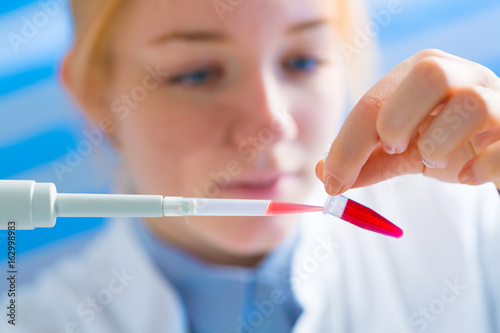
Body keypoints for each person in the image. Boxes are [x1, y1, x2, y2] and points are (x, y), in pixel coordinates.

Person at [2, 0, 500, 332]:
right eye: (196, 73)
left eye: (302, 61)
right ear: (94, 93)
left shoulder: (470, 218)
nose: (271, 123)